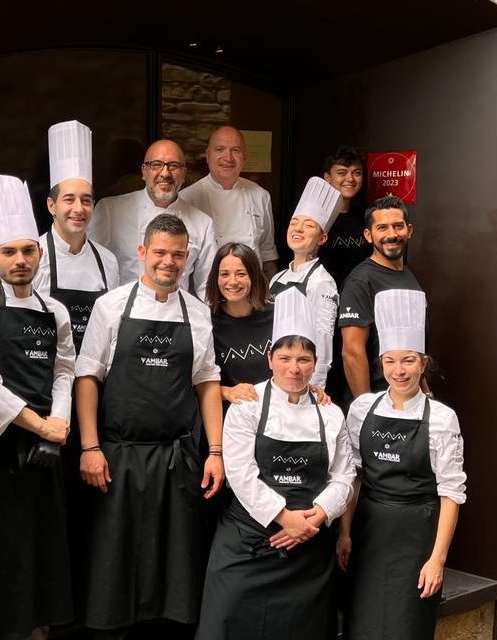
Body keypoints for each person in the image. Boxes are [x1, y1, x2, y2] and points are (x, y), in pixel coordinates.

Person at [75, 213, 224, 639]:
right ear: (142, 253)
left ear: (188, 257)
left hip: (177, 460)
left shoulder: (197, 313)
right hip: (117, 458)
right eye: (160, 252)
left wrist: (214, 453)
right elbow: (87, 378)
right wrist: (89, 447)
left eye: (178, 254)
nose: (169, 262)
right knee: (113, 564)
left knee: (174, 567)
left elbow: (207, 383)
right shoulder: (111, 306)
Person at [195, 287, 355, 640]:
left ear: (315, 363)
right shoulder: (247, 405)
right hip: (247, 541)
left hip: (309, 549)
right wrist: (286, 518)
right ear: (269, 358)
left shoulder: (330, 413)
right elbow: (240, 472)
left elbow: (344, 476)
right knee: (226, 622)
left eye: (303, 360)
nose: (294, 369)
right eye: (285, 358)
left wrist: (318, 515)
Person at [0, 175, 75, 640]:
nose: (20, 260)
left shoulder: (55, 311)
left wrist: (59, 421)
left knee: (39, 545)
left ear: (39, 253)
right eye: (10, 252)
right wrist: (41, 427)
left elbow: (64, 370)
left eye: (28, 250)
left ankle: (34, 627)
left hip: (45, 450)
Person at [338, 289, 465, 640]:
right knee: (360, 625)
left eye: (408, 360)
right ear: (380, 363)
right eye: (390, 361)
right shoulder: (362, 409)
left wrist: (437, 559)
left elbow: (451, 494)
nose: (399, 370)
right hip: (367, 533)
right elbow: (354, 476)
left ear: (423, 363)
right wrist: (345, 532)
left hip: (416, 537)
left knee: (406, 626)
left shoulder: (442, 419)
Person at [88, 139, 217, 300]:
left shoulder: (203, 224)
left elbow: (207, 287)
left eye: (174, 166)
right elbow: (91, 272)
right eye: (156, 165)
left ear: (184, 174)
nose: (165, 173)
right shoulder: (110, 210)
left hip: (175, 317)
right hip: (122, 313)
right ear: (144, 171)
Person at [33, 120, 120, 353]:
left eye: (86, 200)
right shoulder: (32, 257)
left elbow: (110, 330)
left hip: (92, 377)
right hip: (43, 374)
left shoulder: (108, 261)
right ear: (51, 205)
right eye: (69, 199)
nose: (79, 208)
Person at [338, 195, 426, 402]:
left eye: (398, 226)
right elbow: (352, 352)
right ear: (368, 235)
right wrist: (366, 408)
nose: (392, 234)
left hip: (410, 397)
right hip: (380, 399)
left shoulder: (408, 275)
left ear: (409, 230)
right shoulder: (360, 281)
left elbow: (416, 346)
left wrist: (426, 393)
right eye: (382, 228)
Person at [269, 177, 342, 389]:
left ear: (322, 238)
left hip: (302, 380)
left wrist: (315, 389)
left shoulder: (323, 282)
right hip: (277, 374)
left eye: (309, 225)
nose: (298, 229)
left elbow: (324, 340)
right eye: (294, 223)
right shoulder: (277, 278)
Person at [180, 126, 279, 279]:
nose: (228, 157)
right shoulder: (186, 199)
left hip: (252, 292)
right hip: (206, 293)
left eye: (236, 150)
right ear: (207, 155)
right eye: (220, 149)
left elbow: (267, 257)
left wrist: (268, 295)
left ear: (244, 156)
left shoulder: (261, 196)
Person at [205, 242, 274, 410]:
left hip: (275, 421)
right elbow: (194, 383)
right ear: (216, 278)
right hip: (229, 423)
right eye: (225, 274)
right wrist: (226, 392)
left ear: (254, 276)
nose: (232, 281)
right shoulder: (205, 321)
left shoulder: (278, 315)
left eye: (241, 274)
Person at [318, 146, 368, 287]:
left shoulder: (366, 216)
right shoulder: (316, 218)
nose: (350, 179)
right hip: (323, 297)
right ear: (327, 177)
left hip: (358, 296)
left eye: (356, 173)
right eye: (342, 172)